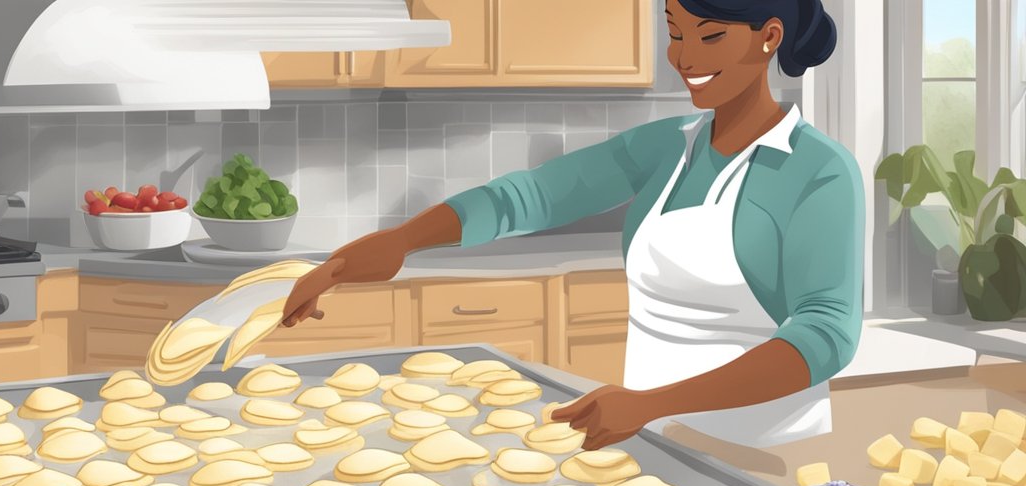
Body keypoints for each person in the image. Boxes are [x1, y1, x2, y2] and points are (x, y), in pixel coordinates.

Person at [281, 0, 862, 450]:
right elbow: (533, 195)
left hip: (763, 451)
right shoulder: (668, 146)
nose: (684, 58)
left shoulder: (819, 171)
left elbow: (826, 335)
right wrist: (402, 241)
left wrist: (652, 403)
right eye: (674, 32)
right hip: (652, 437)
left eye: (710, 36)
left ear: (770, 36)